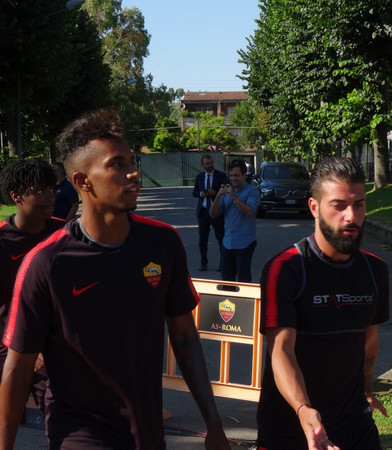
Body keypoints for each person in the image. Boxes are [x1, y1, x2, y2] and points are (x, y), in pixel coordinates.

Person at [0, 110, 230, 450]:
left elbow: (183, 338)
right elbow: (17, 370)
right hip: (79, 430)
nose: (134, 172)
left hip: (147, 429)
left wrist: (213, 422)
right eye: (117, 164)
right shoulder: (46, 262)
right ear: (82, 181)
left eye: (132, 162)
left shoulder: (163, 243)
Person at [256, 156, 389, 450]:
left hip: (355, 424)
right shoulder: (286, 268)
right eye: (339, 206)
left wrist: (366, 390)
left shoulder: (375, 270)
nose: (351, 216)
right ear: (314, 207)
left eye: (359, 205)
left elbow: (370, 340)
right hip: (291, 428)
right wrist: (304, 410)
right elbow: (281, 350)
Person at [0, 159, 64, 412]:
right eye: (40, 191)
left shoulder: (66, 235)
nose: (50, 197)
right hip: (9, 345)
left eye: (51, 189)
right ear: (16, 195)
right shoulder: (2, 243)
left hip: (59, 344)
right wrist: (26, 350)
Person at [209, 159, 260, 283]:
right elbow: (213, 213)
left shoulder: (252, 191)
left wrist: (233, 196)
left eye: (236, 175)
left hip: (245, 242)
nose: (233, 179)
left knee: (243, 280)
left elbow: (249, 212)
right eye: (231, 175)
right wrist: (217, 196)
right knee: (226, 280)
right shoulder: (226, 192)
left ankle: (245, 302)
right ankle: (228, 302)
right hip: (227, 242)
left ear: (244, 175)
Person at [192, 155, 227, 272]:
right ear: (202, 165)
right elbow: (195, 192)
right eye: (207, 163)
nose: (210, 165)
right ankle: (203, 263)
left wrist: (215, 192)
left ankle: (223, 263)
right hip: (203, 212)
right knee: (203, 239)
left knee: (221, 238)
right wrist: (202, 194)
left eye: (211, 163)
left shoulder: (221, 175)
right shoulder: (199, 177)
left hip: (216, 211)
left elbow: (227, 190)